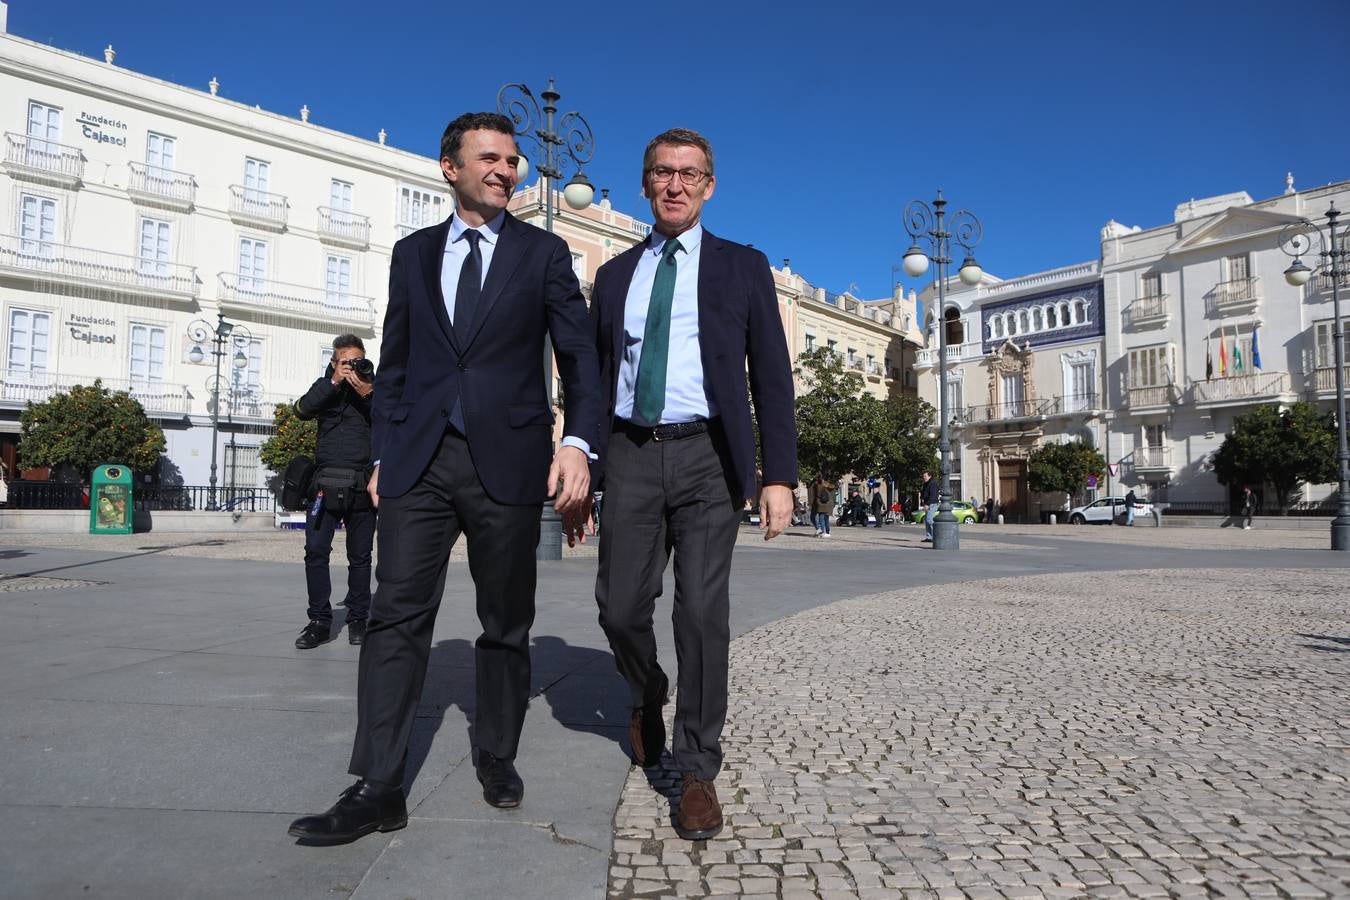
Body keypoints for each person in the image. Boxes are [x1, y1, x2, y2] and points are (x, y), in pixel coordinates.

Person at [289, 112, 601, 846]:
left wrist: (580, 444)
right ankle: (377, 785)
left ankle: (496, 753)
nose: (504, 170)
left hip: (509, 460)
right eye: (488, 158)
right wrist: (382, 455)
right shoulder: (412, 254)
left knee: (504, 623)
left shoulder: (545, 253)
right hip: (419, 461)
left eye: (514, 160)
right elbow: (393, 366)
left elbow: (580, 358)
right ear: (449, 167)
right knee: (396, 616)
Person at [578, 127, 796, 842]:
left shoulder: (742, 267)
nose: (675, 185)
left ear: (709, 186)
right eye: (662, 173)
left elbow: (770, 376)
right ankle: (647, 693)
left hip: (709, 457)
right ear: (644, 183)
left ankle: (696, 765)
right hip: (632, 451)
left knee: (701, 613)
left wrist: (778, 477)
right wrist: (581, 454)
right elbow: (594, 375)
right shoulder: (614, 277)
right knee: (618, 606)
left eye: (690, 174)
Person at [293, 335, 377, 650]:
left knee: (360, 557)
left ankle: (358, 618)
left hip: (360, 486)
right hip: (323, 486)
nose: (353, 367)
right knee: (315, 553)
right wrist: (333, 382)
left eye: (358, 361)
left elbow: (391, 418)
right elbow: (301, 409)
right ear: (334, 362)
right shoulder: (324, 386)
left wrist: (367, 391)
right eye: (347, 362)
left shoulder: (373, 387)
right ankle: (319, 621)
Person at [919, 470, 939, 542]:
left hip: (932, 503)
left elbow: (933, 495)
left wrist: (927, 504)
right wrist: (924, 503)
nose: (924, 477)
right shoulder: (926, 483)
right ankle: (929, 537)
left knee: (929, 520)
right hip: (928, 503)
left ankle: (936, 536)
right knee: (927, 521)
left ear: (930, 476)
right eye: (923, 476)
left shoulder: (933, 483)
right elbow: (924, 494)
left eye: (925, 476)